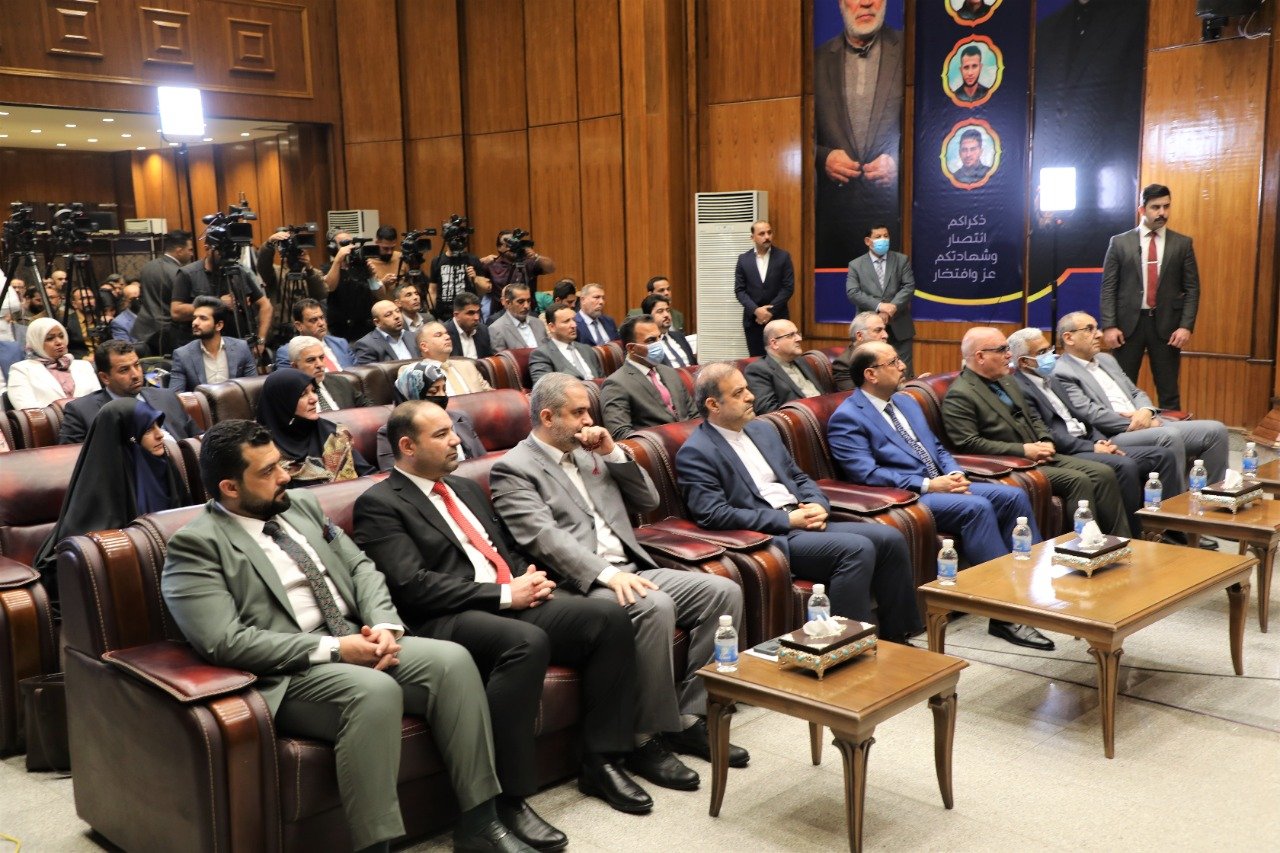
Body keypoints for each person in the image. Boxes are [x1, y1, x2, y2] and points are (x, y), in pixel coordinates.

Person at [160, 420, 524, 853]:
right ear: (230, 487)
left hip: (357, 635)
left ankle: (480, 821)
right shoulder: (196, 545)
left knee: (453, 661)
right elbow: (224, 640)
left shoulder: (300, 506)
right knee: (373, 691)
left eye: (281, 464)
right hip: (291, 669)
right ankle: (376, 846)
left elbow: (360, 567)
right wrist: (336, 649)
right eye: (268, 471)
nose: (284, 477)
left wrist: (384, 626)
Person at [355, 401, 651, 841]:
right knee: (524, 642)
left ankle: (601, 760)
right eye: (441, 435)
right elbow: (412, 586)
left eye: (453, 430)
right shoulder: (379, 503)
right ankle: (508, 799)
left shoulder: (464, 488)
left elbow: (502, 548)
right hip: (444, 617)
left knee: (607, 616)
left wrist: (525, 577)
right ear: (407, 446)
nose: (456, 440)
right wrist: (506, 595)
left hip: (505, 598)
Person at [490, 373, 748, 793]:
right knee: (654, 606)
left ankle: (690, 718)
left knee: (723, 592)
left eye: (588, 411)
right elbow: (542, 538)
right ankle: (643, 739)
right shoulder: (514, 468)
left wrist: (614, 453)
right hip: (581, 583)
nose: (588, 421)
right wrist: (608, 575)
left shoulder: (591, 452)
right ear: (548, 417)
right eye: (578, 413)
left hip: (633, 566)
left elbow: (648, 501)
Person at [827, 342, 1055, 651]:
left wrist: (954, 472)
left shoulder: (906, 402)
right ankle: (1003, 614)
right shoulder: (848, 417)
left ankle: (1034, 587)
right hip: (909, 495)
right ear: (871, 374)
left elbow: (936, 447)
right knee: (976, 508)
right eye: (893, 362)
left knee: (1011, 496)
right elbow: (865, 473)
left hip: (943, 482)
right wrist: (928, 484)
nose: (903, 366)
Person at [678, 363, 921, 640]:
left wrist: (818, 504)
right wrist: (786, 520)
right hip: (771, 535)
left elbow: (798, 477)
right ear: (713, 404)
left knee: (890, 538)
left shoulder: (762, 430)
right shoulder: (697, 452)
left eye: (747, 389)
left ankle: (897, 638)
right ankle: (848, 646)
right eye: (738, 393)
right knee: (856, 549)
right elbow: (712, 514)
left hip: (803, 517)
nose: (750, 396)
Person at [942, 327, 1132, 538]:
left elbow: (1033, 416)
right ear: (980, 357)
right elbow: (968, 443)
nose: (1009, 355)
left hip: (1039, 454)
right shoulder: (960, 394)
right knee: (1078, 480)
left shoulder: (1006, 379)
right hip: (1010, 464)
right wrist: (1024, 450)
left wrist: (1045, 439)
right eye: (1002, 349)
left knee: (1104, 473)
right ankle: (1083, 545)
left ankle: (1120, 540)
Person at [1008, 327, 1181, 538]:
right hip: (1070, 449)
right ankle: (1131, 537)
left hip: (1089, 440)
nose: (1050, 356)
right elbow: (1049, 433)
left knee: (1162, 456)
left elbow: (1081, 417)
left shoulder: (1051, 379)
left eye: (1049, 349)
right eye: (1042, 353)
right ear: (1024, 362)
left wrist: (1101, 441)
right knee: (1124, 466)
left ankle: (1170, 531)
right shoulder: (1021, 388)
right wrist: (1093, 447)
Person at [36, 397, 192, 603]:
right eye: (147, 429)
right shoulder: (102, 484)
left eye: (158, 425)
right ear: (128, 436)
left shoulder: (163, 465)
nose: (160, 434)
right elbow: (98, 552)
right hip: (123, 579)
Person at [1051, 311, 1229, 489]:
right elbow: (1091, 414)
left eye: (1097, 328)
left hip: (1145, 421)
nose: (1098, 334)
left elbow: (1136, 392)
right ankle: (1177, 501)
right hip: (1113, 434)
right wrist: (1141, 423)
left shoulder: (1106, 359)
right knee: (1169, 436)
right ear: (1069, 338)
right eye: (1089, 329)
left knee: (1215, 430)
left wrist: (1146, 411)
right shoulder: (1062, 371)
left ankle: (1212, 495)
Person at [814, 0, 904, 267]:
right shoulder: (817, 60)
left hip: (896, 218)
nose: (866, 3)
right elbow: (794, 134)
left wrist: (901, 161)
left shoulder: (910, 50)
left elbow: (933, 126)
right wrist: (823, 157)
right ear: (841, 3)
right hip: (834, 228)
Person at [1099, 183, 1200, 410]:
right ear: (1142, 210)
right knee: (1122, 389)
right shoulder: (1120, 242)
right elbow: (1108, 287)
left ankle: (1174, 431)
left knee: (1169, 391)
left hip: (1167, 327)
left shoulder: (1182, 244)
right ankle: (1124, 430)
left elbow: (1193, 289)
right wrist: (1109, 325)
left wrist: (1185, 326)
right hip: (1127, 327)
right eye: (1156, 207)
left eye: (1166, 206)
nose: (1162, 212)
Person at [60, 340, 200, 444]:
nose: (135, 374)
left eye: (136, 365)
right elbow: (71, 460)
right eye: (124, 370)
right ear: (105, 378)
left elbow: (198, 439)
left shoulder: (166, 396)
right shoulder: (81, 412)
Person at [255, 368, 375, 483]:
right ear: (282, 403)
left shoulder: (334, 434)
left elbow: (368, 474)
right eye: (303, 394)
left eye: (313, 391)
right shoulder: (261, 447)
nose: (314, 399)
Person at [600, 316, 696, 440]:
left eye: (659, 337)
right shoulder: (616, 384)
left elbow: (695, 414)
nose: (659, 344)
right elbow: (620, 433)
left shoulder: (670, 372)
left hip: (692, 441)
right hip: (659, 446)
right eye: (651, 340)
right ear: (631, 348)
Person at [171, 240, 273, 354]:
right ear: (207, 248)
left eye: (230, 249)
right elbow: (176, 312)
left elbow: (265, 305)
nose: (226, 254)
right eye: (220, 250)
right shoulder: (188, 274)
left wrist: (260, 340)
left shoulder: (238, 272)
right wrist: (219, 303)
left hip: (238, 347)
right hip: (201, 349)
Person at [377, 363, 485, 468]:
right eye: (433, 392)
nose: (442, 396)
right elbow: (393, 474)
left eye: (444, 390)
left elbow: (483, 460)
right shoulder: (391, 432)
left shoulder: (460, 418)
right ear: (412, 394)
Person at [845, 226, 915, 375]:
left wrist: (891, 307)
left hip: (899, 326)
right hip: (869, 329)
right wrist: (879, 306)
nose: (883, 239)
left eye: (886, 236)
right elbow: (853, 292)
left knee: (904, 371)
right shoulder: (856, 265)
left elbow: (908, 287)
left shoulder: (901, 260)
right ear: (868, 241)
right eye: (878, 237)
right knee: (873, 370)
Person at [5, 318, 100, 410]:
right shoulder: (21, 370)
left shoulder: (84, 366)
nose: (59, 342)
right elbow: (28, 410)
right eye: (50, 338)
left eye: (61, 336)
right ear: (36, 342)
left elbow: (99, 402)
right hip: (50, 421)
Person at [168, 296, 258, 392]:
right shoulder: (183, 355)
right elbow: (175, 395)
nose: (195, 322)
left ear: (219, 325)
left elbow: (253, 388)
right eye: (194, 318)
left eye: (203, 318)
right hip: (201, 401)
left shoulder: (241, 348)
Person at [733, 221, 795, 357]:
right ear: (752, 237)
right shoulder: (743, 260)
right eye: (761, 234)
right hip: (753, 321)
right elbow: (739, 290)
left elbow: (788, 288)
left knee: (781, 359)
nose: (767, 237)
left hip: (778, 319)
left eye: (769, 232)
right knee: (757, 361)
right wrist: (756, 310)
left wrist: (769, 311)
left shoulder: (783, 257)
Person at [743, 319, 828, 414]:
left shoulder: (801, 361)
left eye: (797, 334)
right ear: (774, 343)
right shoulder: (758, 370)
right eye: (791, 335)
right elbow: (767, 410)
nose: (799, 338)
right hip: (801, 419)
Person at [134, 229, 193, 355]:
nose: (191, 254)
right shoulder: (180, 273)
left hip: (143, 329)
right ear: (179, 250)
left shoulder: (147, 267)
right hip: (167, 334)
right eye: (190, 250)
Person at [323, 230, 383, 342]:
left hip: (368, 329)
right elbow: (330, 286)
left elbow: (380, 294)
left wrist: (371, 277)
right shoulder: (328, 268)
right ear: (333, 248)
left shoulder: (361, 266)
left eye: (351, 243)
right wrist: (338, 260)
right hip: (343, 332)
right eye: (344, 244)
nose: (349, 247)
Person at [482, 230, 555, 321]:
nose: (513, 247)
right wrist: (481, 261)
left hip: (527, 313)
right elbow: (473, 276)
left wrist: (536, 256)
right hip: (501, 315)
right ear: (499, 247)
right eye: (508, 244)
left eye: (515, 243)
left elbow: (551, 268)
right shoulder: (492, 264)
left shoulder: (528, 262)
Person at [406, 320, 491, 396]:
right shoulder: (413, 372)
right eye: (439, 335)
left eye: (446, 333)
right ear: (424, 346)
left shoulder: (468, 365)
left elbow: (490, 394)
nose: (447, 337)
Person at [429, 223, 492, 322]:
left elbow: (485, 289)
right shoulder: (437, 261)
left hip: (468, 312)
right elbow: (432, 290)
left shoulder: (472, 259)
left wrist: (475, 278)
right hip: (443, 315)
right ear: (446, 239)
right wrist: (431, 312)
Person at [288, 336, 369, 411]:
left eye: (321, 358)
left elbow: (368, 408)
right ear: (295, 366)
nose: (320, 364)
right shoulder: (289, 396)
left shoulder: (341, 382)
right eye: (311, 360)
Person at [529, 302, 604, 384]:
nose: (574, 325)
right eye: (566, 321)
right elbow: (544, 388)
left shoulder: (587, 349)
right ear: (552, 327)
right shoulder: (541, 355)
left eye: (574, 320)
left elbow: (602, 380)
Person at [273, 298, 356, 370]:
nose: (321, 323)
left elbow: (358, 372)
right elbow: (290, 381)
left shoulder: (341, 343)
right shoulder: (287, 353)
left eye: (322, 318)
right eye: (313, 320)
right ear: (299, 326)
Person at [832, 311, 890, 391]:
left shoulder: (887, 354)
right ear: (859, 336)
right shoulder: (844, 364)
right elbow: (853, 395)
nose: (885, 335)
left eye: (884, 330)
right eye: (878, 330)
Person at [351, 300, 419, 365]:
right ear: (377, 322)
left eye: (397, 311)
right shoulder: (366, 345)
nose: (397, 316)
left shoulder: (414, 336)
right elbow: (370, 372)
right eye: (388, 314)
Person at [488, 285, 549, 353]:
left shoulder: (538, 323)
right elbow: (502, 358)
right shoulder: (497, 329)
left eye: (528, 301)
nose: (526, 306)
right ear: (508, 303)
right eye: (521, 302)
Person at [641, 293, 695, 368]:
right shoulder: (647, 344)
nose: (666, 315)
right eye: (660, 311)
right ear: (648, 317)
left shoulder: (679, 336)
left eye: (668, 310)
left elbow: (694, 363)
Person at [446, 293, 495, 359]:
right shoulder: (445, 333)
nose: (477, 318)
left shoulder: (483, 330)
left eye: (478, 312)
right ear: (456, 315)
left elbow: (488, 358)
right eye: (471, 313)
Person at [109, 280, 144, 351]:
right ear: (125, 301)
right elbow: (125, 349)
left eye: (139, 297)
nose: (137, 301)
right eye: (133, 299)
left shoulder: (150, 314)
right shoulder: (119, 323)